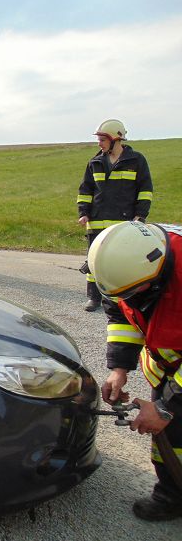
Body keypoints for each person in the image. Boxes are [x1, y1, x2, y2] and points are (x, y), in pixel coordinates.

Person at [91, 221, 182, 521]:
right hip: (169, 368)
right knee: (170, 437)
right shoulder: (125, 266)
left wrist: (166, 407)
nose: (125, 299)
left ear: (156, 276)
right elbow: (121, 315)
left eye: (132, 292)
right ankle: (172, 495)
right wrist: (119, 368)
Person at [77, 119, 153, 311]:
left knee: (120, 261)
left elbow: (145, 190)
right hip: (96, 222)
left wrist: (140, 215)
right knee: (93, 261)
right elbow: (85, 189)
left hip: (123, 223)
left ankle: (121, 298)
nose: (99, 143)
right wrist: (83, 213)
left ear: (116, 139)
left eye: (103, 139)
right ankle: (93, 298)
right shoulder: (94, 162)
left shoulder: (136, 161)